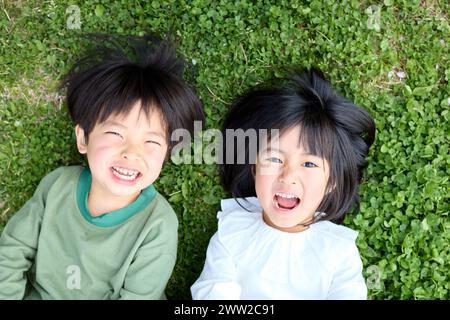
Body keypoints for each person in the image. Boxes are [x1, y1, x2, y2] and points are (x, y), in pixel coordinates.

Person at [0, 34, 204, 299]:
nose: (131, 153)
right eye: (116, 134)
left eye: (152, 141)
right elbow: (10, 253)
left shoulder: (158, 225)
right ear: (83, 138)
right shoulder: (57, 185)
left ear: (167, 154)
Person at [191, 69, 375, 299]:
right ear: (255, 168)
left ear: (332, 182)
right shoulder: (232, 233)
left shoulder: (339, 253)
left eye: (309, 164)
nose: (288, 176)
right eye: (274, 159)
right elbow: (213, 292)